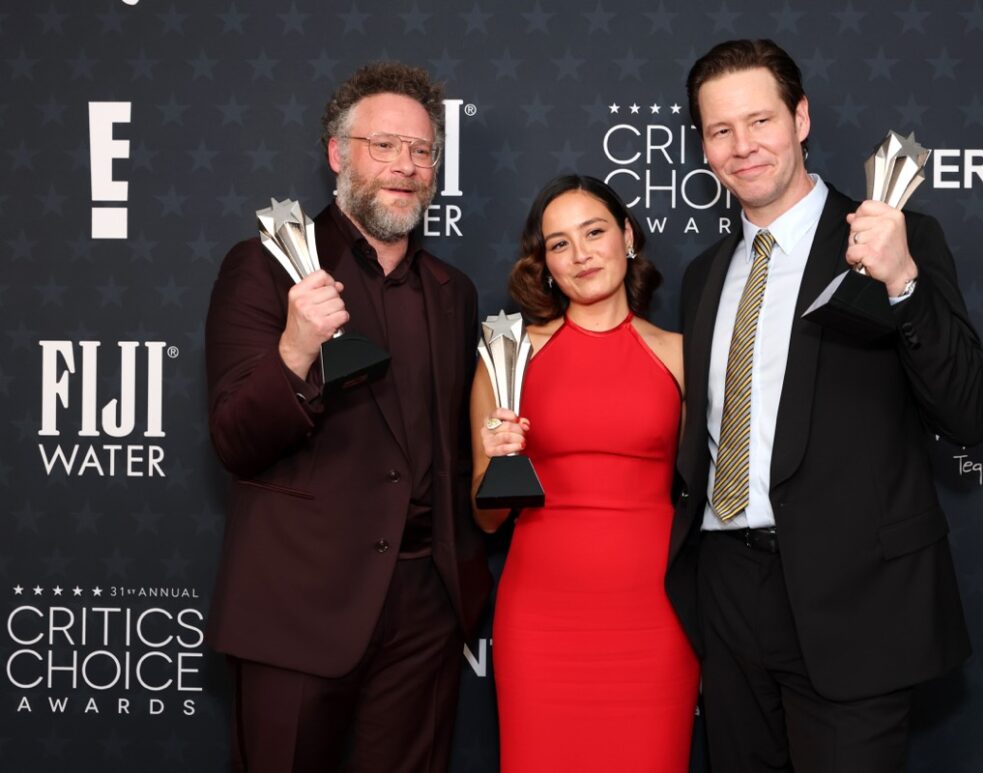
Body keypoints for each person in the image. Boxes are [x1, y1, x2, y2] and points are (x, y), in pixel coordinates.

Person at [666, 39, 983, 772]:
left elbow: (972, 412)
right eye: (720, 130)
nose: (743, 146)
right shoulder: (703, 275)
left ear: (802, 118)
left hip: (854, 598)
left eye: (761, 121)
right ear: (702, 145)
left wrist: (904, 282)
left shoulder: (893, 238)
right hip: (726, 590)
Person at [204, 61, 490, 772]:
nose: (406, 166)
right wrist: (295, 349)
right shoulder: (267, 267)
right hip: (299, 608)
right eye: (384, 145)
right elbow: (235, 439)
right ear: (337, 153)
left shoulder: (454, 292)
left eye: (422, 151)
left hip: (426, 617)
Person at [471, 175, 699, 772]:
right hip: (541, 621)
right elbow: (486, 517)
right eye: (559, 244)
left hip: (655, 620)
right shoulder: (509, 356)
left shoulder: (681, 353)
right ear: (544, 264)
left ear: (626, 236)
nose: (581, 255)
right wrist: (500, 462)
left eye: (594, 232)